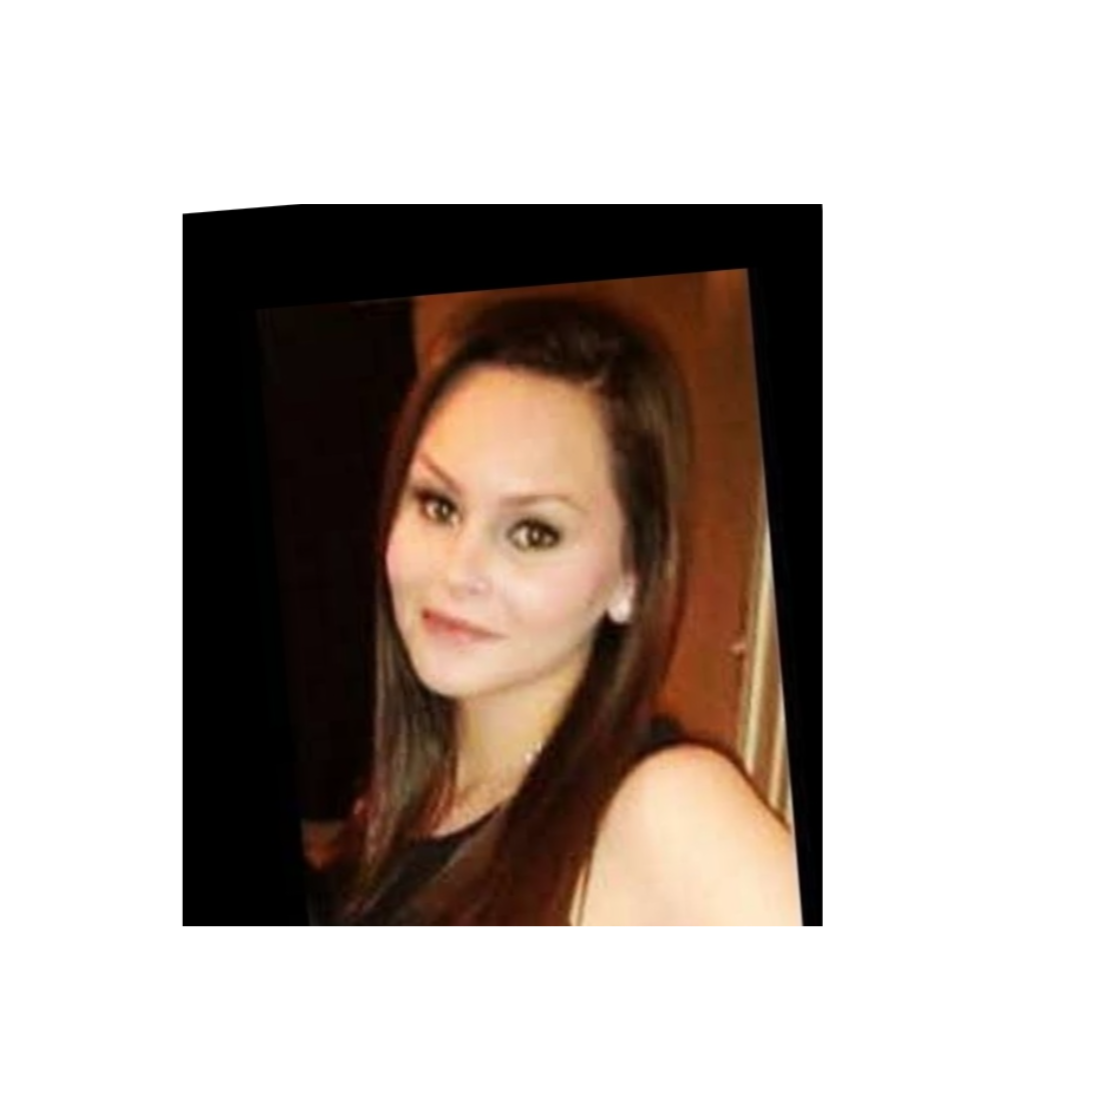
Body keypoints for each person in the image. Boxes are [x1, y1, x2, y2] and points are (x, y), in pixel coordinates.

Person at [333, 296, 802, 927]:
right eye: (439, 506)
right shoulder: (417, 798)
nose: (459, 570)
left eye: (534, 533)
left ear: (633, 575)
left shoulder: (665, 809)